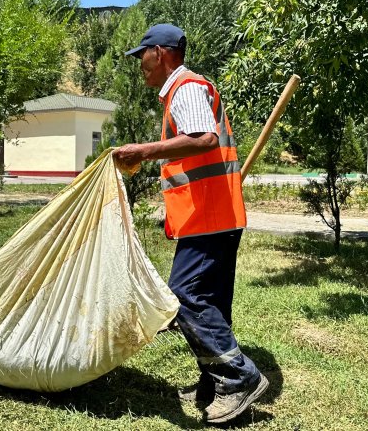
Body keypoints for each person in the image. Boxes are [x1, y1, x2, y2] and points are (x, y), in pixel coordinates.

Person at [112, 24, 268, 424]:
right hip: (212, 216)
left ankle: (238, 378)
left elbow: (202, 139)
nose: (140, 66)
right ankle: (213, 384)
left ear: (160, 53)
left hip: (210, 219)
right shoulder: (182, 92)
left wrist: (143, 151)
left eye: (141, 57)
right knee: (211, 302)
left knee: (184, 297)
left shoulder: (186, 88)